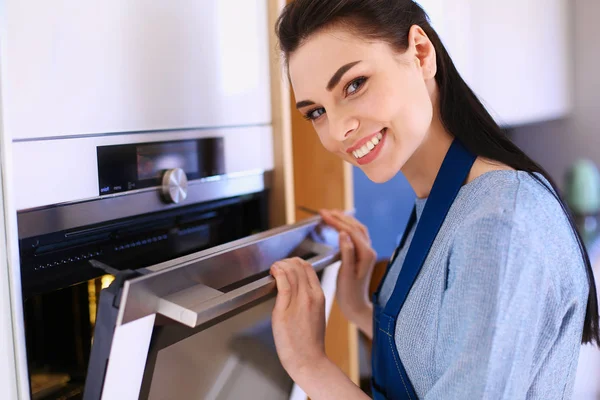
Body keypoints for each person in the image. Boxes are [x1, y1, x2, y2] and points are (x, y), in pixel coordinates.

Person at [267, 1, 600, 399]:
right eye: (317, 111)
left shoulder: (498, 221)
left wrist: (309, 364)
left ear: (421, 53)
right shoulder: (440, 201)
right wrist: (357, 309)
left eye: (354, 84)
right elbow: (450, 360)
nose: (338, 130)